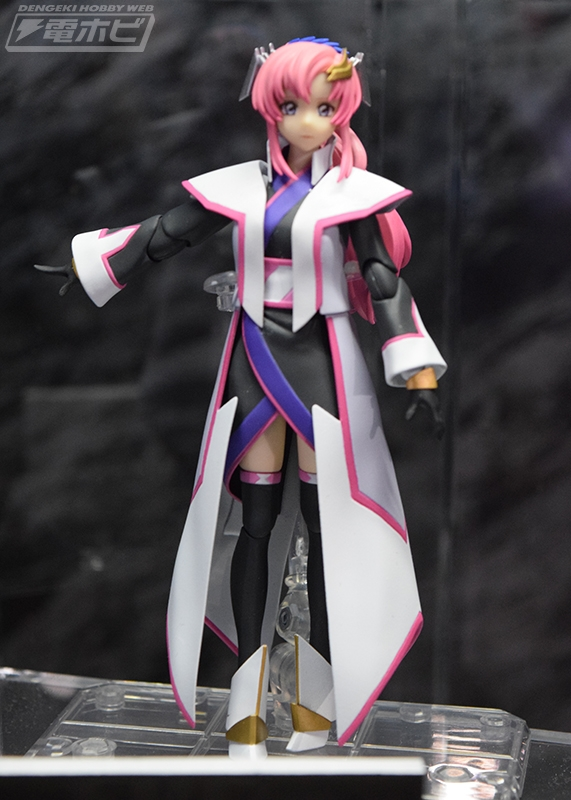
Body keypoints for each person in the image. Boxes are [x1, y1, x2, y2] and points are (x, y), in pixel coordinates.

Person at [37, 37, 446, 759]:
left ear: (343, 110)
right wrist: (96, 265)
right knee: (251, 523)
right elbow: (170, 231)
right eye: (291, 106)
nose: (307, 122)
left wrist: (415, 368)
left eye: (324, 108)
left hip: (321, 363)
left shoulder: (351, 197)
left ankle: (317, 704)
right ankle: (245, 706)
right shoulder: (241, 188)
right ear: (269, 106)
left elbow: (383, 279)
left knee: (326, 527)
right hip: (254, 357)